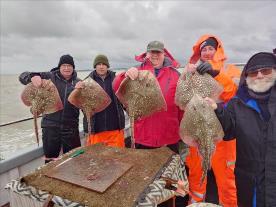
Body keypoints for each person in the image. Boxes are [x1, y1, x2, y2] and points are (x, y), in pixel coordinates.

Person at [205, 52, 276, 207]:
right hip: (249, 183)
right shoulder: (237, 103)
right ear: (247, 75)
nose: (259, 75)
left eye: (266, 71)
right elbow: (228, 131)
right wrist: (216, 110)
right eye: (253, 72)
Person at [184, 35, 239, 206]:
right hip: (198, 131)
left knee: (227, 180)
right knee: (195, 173)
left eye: (210, 49)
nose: (207, 52)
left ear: (218, 50)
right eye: (204, 50)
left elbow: (233, 93)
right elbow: (183, 99)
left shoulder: (230, 70)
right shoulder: (193, 72)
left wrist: (215, 73)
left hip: (223, 134)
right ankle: (195, 202)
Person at [113, 40, 183, 153]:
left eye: (158, 52)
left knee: (170, 170)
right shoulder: (137, 70)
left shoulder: (175, 74)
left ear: (164, 54)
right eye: (152, 52)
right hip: (143, 136)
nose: (155, 55)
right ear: (146, 54)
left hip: (169, 136)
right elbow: (116, 86)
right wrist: (124, 75)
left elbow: (182, 106)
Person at [19, 54, 81, 163]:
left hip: (71, 127)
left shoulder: (78, 82)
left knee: (74, 159)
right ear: (59, 67)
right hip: (50, 127)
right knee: (50, 160)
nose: (66, 68)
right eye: (64, 65)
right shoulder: (49, 77)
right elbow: (22, 76)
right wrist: (32, 76)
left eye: (69, 66)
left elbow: (84, 103)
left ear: (73, 67)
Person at [77, 54, 125, 147]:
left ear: (107, 66)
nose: (101, 66)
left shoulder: (116, 79)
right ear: (95, 66)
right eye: (99, 64)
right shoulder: (86, 82)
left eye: (104, 64)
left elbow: (124, 99)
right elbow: (82, 106)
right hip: (96, 129)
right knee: (97, 158)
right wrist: (78, 91)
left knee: (118, 157)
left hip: (115, 127)